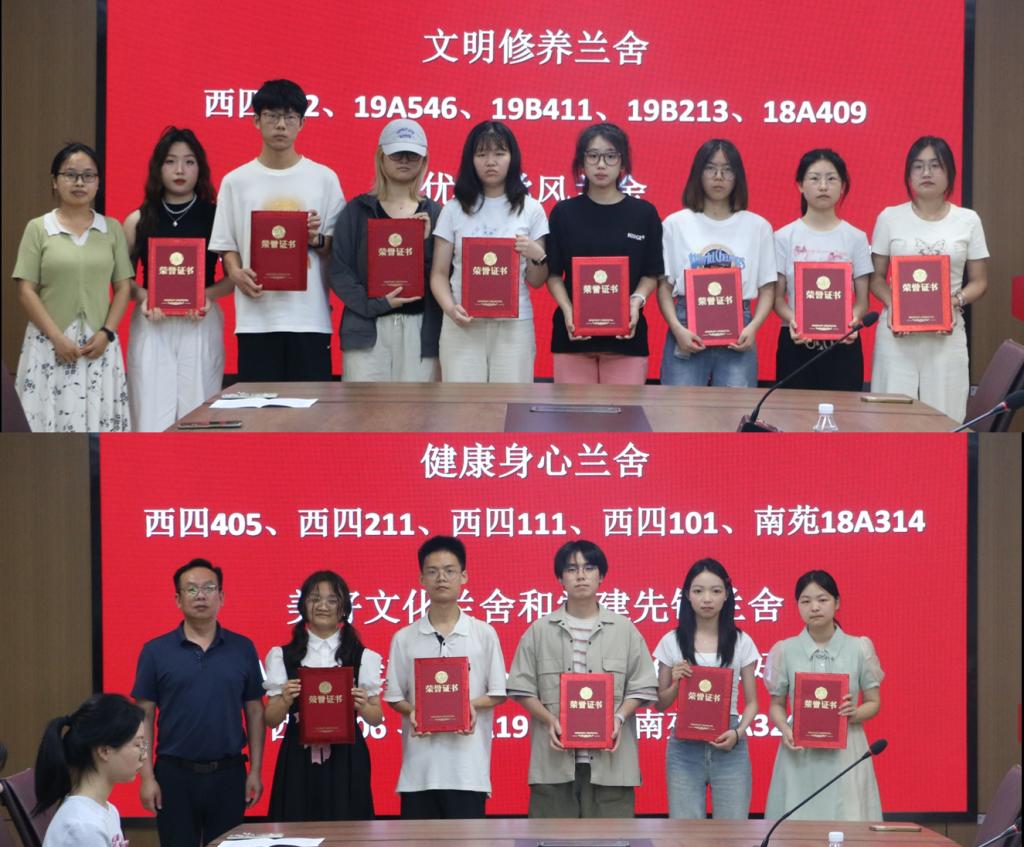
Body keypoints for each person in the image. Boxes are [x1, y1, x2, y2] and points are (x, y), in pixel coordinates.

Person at [507, 541, 658, 818]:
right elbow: (521, 687)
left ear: (601, 576)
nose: (580, 575)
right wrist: (549, 720)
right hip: (554, 766)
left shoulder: (624, 630)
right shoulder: (539, 631)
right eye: (571, 569)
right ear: (560, 578)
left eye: (589, 568)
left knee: (613, 838)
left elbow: (643, 685)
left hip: (612, 767)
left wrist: (619, 718)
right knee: (551, 838)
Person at [209, 78, 345, 382]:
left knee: (311, 407)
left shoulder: (324, 179)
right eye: (272, 116)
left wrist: (316, 238)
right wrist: (235, 272)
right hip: (256, 319)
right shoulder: (235, 181)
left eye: (290, 117)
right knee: (259, 407)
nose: (281, 125)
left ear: (302, 123)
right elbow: (226, 244)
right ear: (256, 121)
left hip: (309, 318)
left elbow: (336, 246)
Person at [132, 558, 265, 847]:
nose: (200, 596)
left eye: (208, 588)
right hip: (173, 775)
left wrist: (255, 771)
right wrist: (147, 777)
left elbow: (255, 712)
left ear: (222, 597)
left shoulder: (243, 648)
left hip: (229, 774)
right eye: (191, 590)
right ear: (178, 600)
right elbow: (144, 716)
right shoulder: (155, 651)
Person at [12, 142, 133, 431]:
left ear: (98, 183)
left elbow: (123, 287)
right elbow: (26, 290)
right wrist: (57, 338)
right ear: (54, 181)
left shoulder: (112, 229)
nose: (80, 182)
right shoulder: (38, 228)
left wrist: (107, 333)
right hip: (50, 343)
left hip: (99, 344)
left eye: (88, 175)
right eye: (70, 174)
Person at [384, 536, 507, 818]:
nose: (441, 578)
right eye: (433, 571)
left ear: (464, 576)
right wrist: (415, 711)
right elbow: (394, 697)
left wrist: (467, 707)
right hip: (418, 773)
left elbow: (498, 692)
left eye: (449, 570)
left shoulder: (484, 633)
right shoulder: (404, 637)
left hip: (468, 772)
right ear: (421, 579)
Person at [869, 136, 989, 422]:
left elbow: (979, 281)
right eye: (918, 166)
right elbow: (876, 278)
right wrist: (895, 306)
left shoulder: (968, 220)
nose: (926, 173)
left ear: (949, 173)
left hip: (946, 336)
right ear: (908, 174)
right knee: (890, 420)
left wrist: (953, 302)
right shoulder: (889, 217)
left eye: (935, 165)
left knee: (945, 420)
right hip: (896, 337)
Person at [123, 127, 229, 431]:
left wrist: (207, 295)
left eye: (189, 161)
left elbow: (234, 277)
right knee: (150, 417)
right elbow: (122, 280)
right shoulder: (138, 219)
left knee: (199, 415)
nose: (180, 170)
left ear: (200, 168)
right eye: (170, 161)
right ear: (158, 168)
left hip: (200, 321)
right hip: (152, 323)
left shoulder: (217, 218)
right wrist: (144, 297)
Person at [429, 121, 548, 382]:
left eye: (499, 153)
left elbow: (537, 280)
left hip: (514, 326)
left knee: (512, 402)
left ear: (512, 158)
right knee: (462, 403)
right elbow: (438, 274)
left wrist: (536, 254)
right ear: (470, 160)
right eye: (482, 154)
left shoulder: (531, 209)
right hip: (462, 323)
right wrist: (451, 309)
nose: (490, 162)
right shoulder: (453, 209)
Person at [545, 123, 663, 384]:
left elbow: (651, 273)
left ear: (622, 162)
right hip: (573, 336)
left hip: (627, 339)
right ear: (582, 161)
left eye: (610, 156)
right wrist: (568, 310)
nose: (601, 164)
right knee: (572, 411)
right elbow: (553, 274)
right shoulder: (563, 213)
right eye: (593, 155)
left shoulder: (644, 214)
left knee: (624, 411)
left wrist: (636, 302)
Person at [764, 570, 884, 821]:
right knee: (797, 822)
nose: (814, 607)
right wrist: (784, 729)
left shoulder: (859, 647)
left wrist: (854, 713)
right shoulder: (785, 650)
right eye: (805, 601)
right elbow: (776, 704)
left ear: (837, 602)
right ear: (797, 605)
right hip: (799, 753)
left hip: (846, 753)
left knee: (847, 819)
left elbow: (874, 703)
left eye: (822, 599)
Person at [263, 570, 383, 820]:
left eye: (332, 600)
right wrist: (285, 699)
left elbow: (376, 718)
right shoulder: (282, 655)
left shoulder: (364, 656)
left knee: (349, 828)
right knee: (297, 825)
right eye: (315, 599)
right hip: (298, 755)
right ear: (303, 605)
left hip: (347, 757)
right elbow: (271, 720)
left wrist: (362, 705)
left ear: (344, 608)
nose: (322, 606)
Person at [657, 139, 776, 387]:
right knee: (679, 408)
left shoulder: (758, 226)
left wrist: (753, 327)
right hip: (686, 326)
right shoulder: (675, 224)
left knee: (736, 408)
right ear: (698, 174)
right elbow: (664, 287)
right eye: (710, 168)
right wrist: (677, 329)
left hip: (739, 329)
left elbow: (767, 288)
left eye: (727, 170)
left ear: (738, 176)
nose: (718, 177)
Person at [330, 118, 442, 381]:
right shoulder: (356, 210)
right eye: (396, 154)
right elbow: (339, 270)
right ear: (381, 157)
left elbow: (444, 276)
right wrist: (375, 305)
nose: (404, 160)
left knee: (418, 407)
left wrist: (426, 242)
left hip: (421, 330)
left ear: (424, 161)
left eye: (412, 155)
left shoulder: (437, 214)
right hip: (365, 328)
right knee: (363, 406)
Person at [654, 559, 758, 819]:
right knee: (685, 831)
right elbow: (659, 704)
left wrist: (738, 733)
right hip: (684, 748)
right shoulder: (671, 641)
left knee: (733, 831)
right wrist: (676, 683)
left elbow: (753, 702)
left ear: (727, 595)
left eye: (716, 590)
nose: (707, 599)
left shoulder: (742, 641)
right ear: (687, 595)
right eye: (698, 591)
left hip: (730, 743)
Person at [773, 149, 872, 391]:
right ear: (800, 185)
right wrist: (793, 320)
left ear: (842, 186)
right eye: (815, 178)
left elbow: (862, 301)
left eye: (831, 178)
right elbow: (777, 299)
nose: (823, 186)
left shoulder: (856, 237)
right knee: (793, 413)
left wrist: (853, 321)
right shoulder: (783, 237)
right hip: (796, 343)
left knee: (844, 413)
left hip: (843, 345)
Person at [33, 693, 145, 847]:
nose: (144, 756)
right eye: (138, 745)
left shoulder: (107, 811)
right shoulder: (83, 827)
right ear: (104, 751)